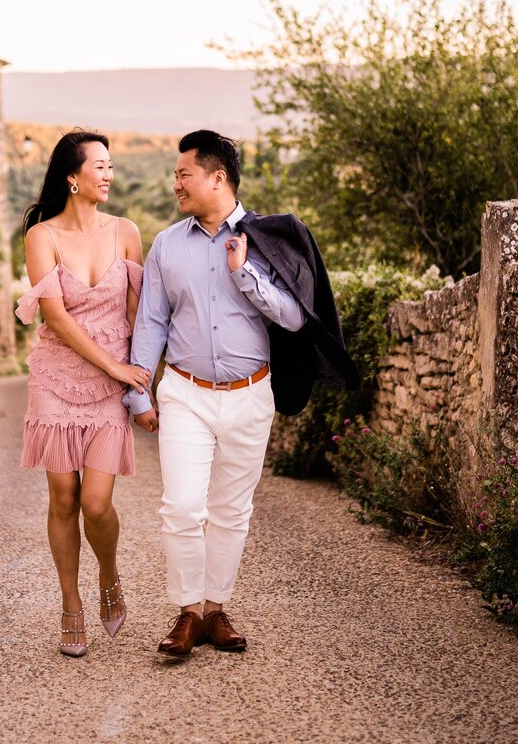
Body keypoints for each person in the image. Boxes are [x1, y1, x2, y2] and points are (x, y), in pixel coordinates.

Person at [126, 129, 358, 658]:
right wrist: (139, 393)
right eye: (176, 175)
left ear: (218, 177)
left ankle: (215, 611)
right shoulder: (166, 245)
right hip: (185, 391)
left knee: (231, 511)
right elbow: (152, 323)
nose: (176, 183)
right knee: (182, 506)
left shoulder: (272, 239)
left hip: (252, 394)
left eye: (184, 174)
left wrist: (245, 273)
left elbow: (299, 316)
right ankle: (187, 613)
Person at [15, 130, 150, 658]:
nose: (110, 174)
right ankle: (70, 604)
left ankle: (109, 574)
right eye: (101, 166)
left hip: (109, 386)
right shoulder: (41, 236)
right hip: (55, 378)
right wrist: (114, 363)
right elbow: (56, 316)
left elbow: (139, 313)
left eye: (112, 166)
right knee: (63, 498)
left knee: (97, 503)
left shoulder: (127, 232)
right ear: (73, 177)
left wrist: (141, 382)